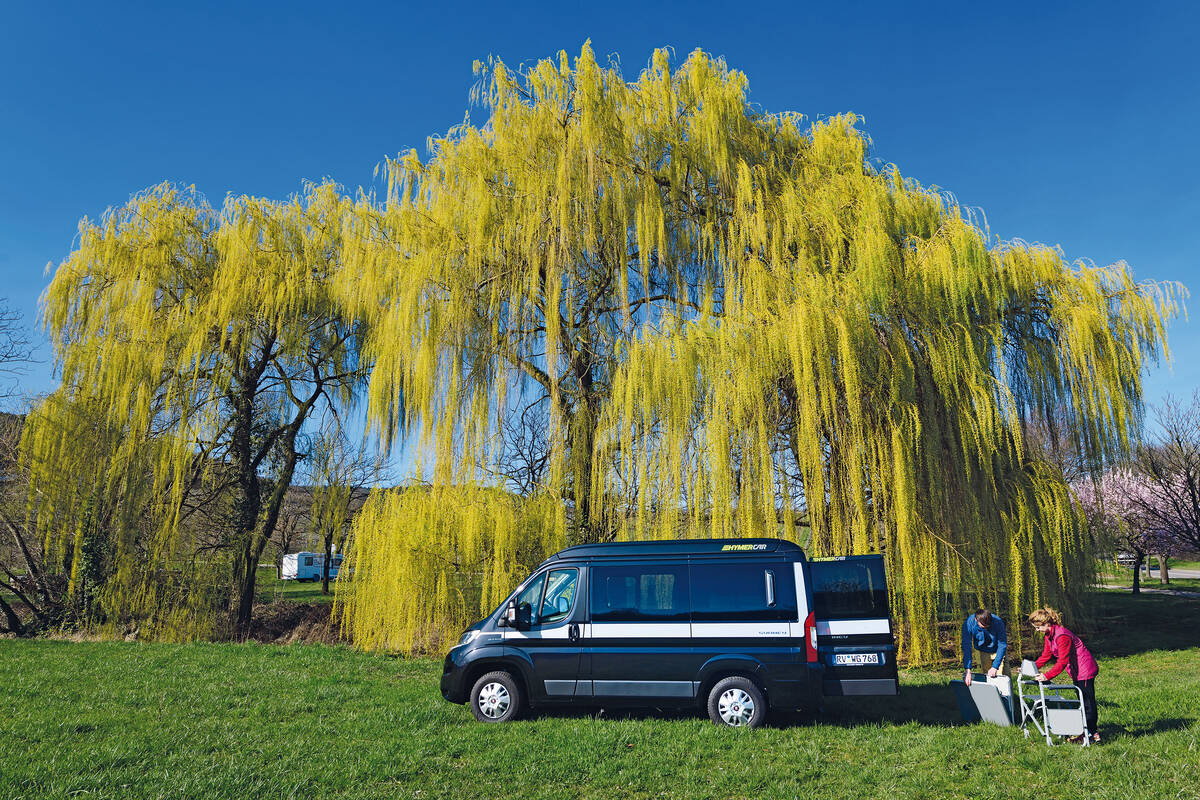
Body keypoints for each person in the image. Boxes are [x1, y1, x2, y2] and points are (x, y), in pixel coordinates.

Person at [1029, 606, 1100, 743]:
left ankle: (1092, 734)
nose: (1037, 630)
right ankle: (1088, 732)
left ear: (1046, 623)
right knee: (1083, 700)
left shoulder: (1061, 635)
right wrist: (1031, 667)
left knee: (1087, 702)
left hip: (1084, 669)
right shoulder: (1049, 635)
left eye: (1038, 627)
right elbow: (1046, 655)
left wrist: (1046, 676)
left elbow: (1062, 661)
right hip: (1076, 670)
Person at [962, 607, 1008, 686]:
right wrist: (967, 669)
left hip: (998, 649)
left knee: (1002, 679)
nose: (986, 628)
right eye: (984, 627)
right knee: (985, 680)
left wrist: (995, 667)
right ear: (976, 620)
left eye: (988, 626)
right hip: (981, 650)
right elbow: (966, 645)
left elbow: (1002, 644)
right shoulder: (969, 623)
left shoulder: (998, 622)